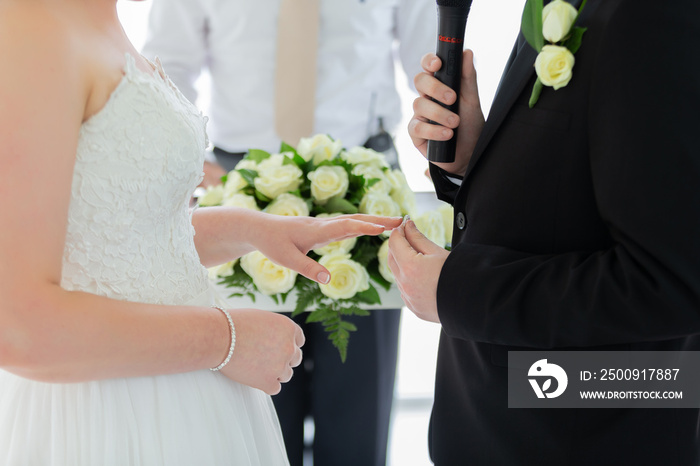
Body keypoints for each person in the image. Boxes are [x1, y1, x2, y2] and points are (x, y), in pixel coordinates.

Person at [0, 0, 402, 464]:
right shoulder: (31, 29)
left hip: (177, 392)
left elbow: (109, 234)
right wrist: (225, 340)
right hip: (103, 414)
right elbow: (17, 326)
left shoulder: (98, 17)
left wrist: (246, 228)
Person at [390, 0, 700, 464]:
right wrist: (474, 160)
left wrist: (459, 290)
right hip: (499, 424)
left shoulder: (652, 14)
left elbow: (674, 284)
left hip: (580, 435)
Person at [141, 2, 435, 465]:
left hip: (361, 191)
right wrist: (198, 169)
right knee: (256, 405)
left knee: (359, 402)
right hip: (240, 191)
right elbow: (165, 68)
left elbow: (432, 64)